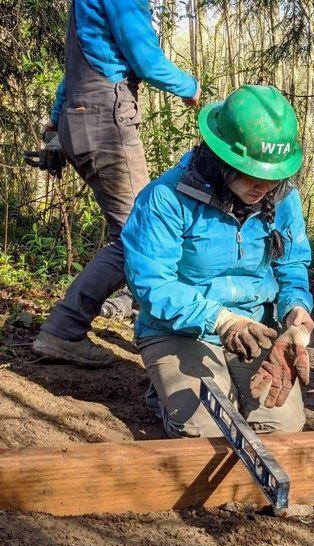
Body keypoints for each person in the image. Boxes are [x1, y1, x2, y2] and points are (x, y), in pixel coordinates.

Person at [121, 84, 313, 438]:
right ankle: (163, 390)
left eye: (272, 177)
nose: (263, 186)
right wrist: (220, 320)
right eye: (250, 172)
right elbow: (152, 284)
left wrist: (296, 313)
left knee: (282, 426)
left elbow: (293, 264)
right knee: (209, 431)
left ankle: (214, 378)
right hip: (177, 330)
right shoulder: (165, 198)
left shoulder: (284, 200)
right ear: (221, 157)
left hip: (257, 327)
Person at [28, 0, 201, 368]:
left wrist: (58, 123)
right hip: (106, 120)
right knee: (140, 234)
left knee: (130, 232)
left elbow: (75, 71)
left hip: (81, 115)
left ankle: (143, 320)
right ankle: (64, 330)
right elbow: (146, 59)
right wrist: (189, 86)